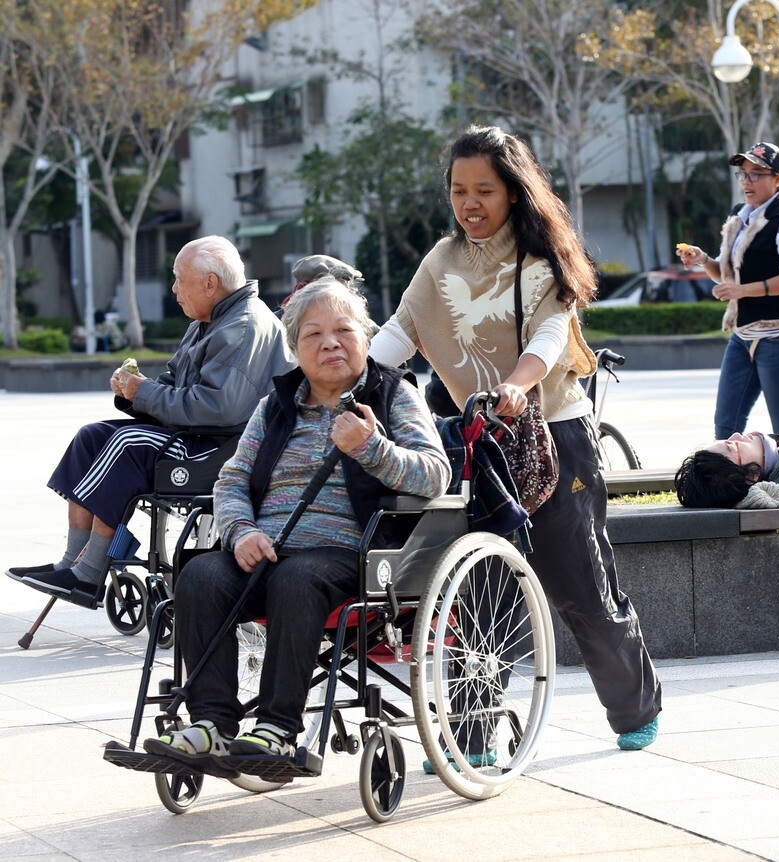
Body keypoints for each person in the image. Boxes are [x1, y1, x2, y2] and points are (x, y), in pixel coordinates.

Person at [368, 125, 662, 753]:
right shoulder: (439, 261)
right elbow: (396, 336)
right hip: (478, 444)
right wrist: (335, 383)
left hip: (555, 435)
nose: (469, 204)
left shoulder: (540, 259)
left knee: (580, 582)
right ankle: (470, 736)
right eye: (458, 191)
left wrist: (519, 384)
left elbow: (550, 338)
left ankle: (636, 708)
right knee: (476, 589)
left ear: (514, 193)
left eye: (484, 191)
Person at [143, 278, 451, 770]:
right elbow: (231, 480)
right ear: (294, 348)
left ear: (365, 340)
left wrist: (371, 448)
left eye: (343, 330)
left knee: (297, 576)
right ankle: (212, 725)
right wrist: (240, 531)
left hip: (351, 556)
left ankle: (279, 730)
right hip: (264, 549)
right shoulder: (275, 406)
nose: (330, 342)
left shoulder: (393, 397)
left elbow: (435, 475)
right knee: (199, 575)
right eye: (313, 335)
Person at [6, 235, 293, 603]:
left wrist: (143, 392)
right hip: (200, 433)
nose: (174, 289)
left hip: (226, 447)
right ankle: (71, 564)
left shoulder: (242, 326)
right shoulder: (210, 319)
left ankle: (89, 573)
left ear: (210, 282)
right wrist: (134, 392)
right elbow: (175, 383)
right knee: (90, 437)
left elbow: (217, 408)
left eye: (179, 278)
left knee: (128, 444)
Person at [676, 142, 779, 439]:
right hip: (742, 335)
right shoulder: (740, 214)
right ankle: (725, 485)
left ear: (778, 179)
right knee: (725, 428)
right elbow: (726, 273)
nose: (747, 182)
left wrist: (743, 290)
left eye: (756, 174)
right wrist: (704, 260)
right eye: (743, 174)